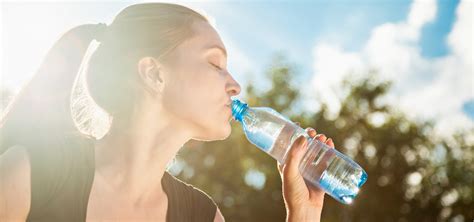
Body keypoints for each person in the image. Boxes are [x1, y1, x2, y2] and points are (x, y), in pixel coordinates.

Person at [0, 3, 335, 221]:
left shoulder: (201, 215)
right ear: (154, 73)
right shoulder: (32, 175)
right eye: (215, 63)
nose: (235, 86)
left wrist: (303, 216)